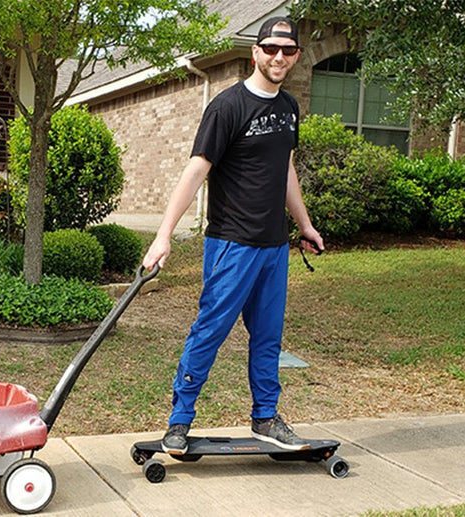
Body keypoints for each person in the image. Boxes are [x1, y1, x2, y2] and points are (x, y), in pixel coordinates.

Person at [139, 16, 324, 455]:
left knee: (268, 337)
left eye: (288, 50)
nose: (279, 57)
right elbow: (196, 170)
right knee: (209, 331)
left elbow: (286, 171)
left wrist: (304, 224)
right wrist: (163, 236)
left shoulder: (288, 108)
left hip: (273, 246)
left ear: (296, 56)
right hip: (231, 244)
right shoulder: (227, 106)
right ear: (256, 52)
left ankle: (266, 417)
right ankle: (179, 422)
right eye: (271, 49)